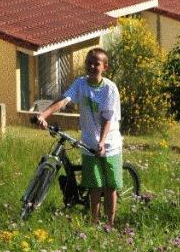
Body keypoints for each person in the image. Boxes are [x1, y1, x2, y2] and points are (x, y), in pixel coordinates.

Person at [34, 47, 123, 227]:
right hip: (89, 144)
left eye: (96, 63)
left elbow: (107, 119)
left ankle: (110, 224)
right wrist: (44, 115)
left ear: (104, 67)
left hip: (110, 144)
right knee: (94, 187)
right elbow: (64, 100)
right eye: (89, 63)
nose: (91, 66)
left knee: (109, 187)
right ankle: (94, 223)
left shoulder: (109, 89)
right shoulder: (81, 84)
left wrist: (103, 142)